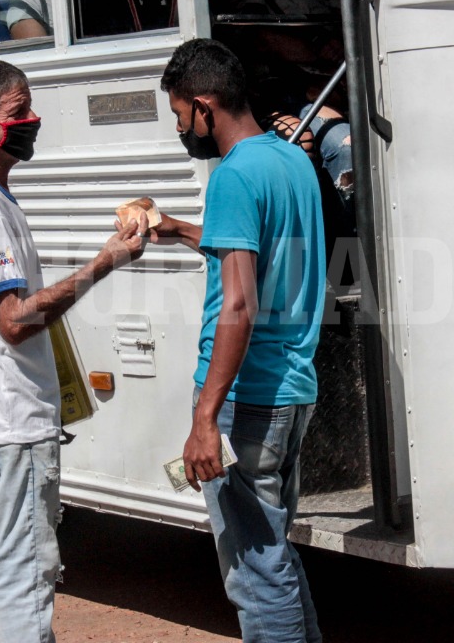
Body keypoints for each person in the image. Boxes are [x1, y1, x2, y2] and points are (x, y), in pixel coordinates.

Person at [0, 57, 146, 642]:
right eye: (17, 113)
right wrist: (104, 263)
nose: (32, 121)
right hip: (6, 427)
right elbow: (14, 321)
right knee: (25, 576)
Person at [148, 39, 326, 642]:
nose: (182, 130)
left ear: (204, 107)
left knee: (253, 570)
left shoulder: (232, 175)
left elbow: (240, 303)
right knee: (273, 552)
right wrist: (176, 230)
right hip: (290, 389)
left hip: (245, 399)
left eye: (179, 116)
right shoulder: (291, 161)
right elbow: (255, 251)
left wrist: (204, 419)